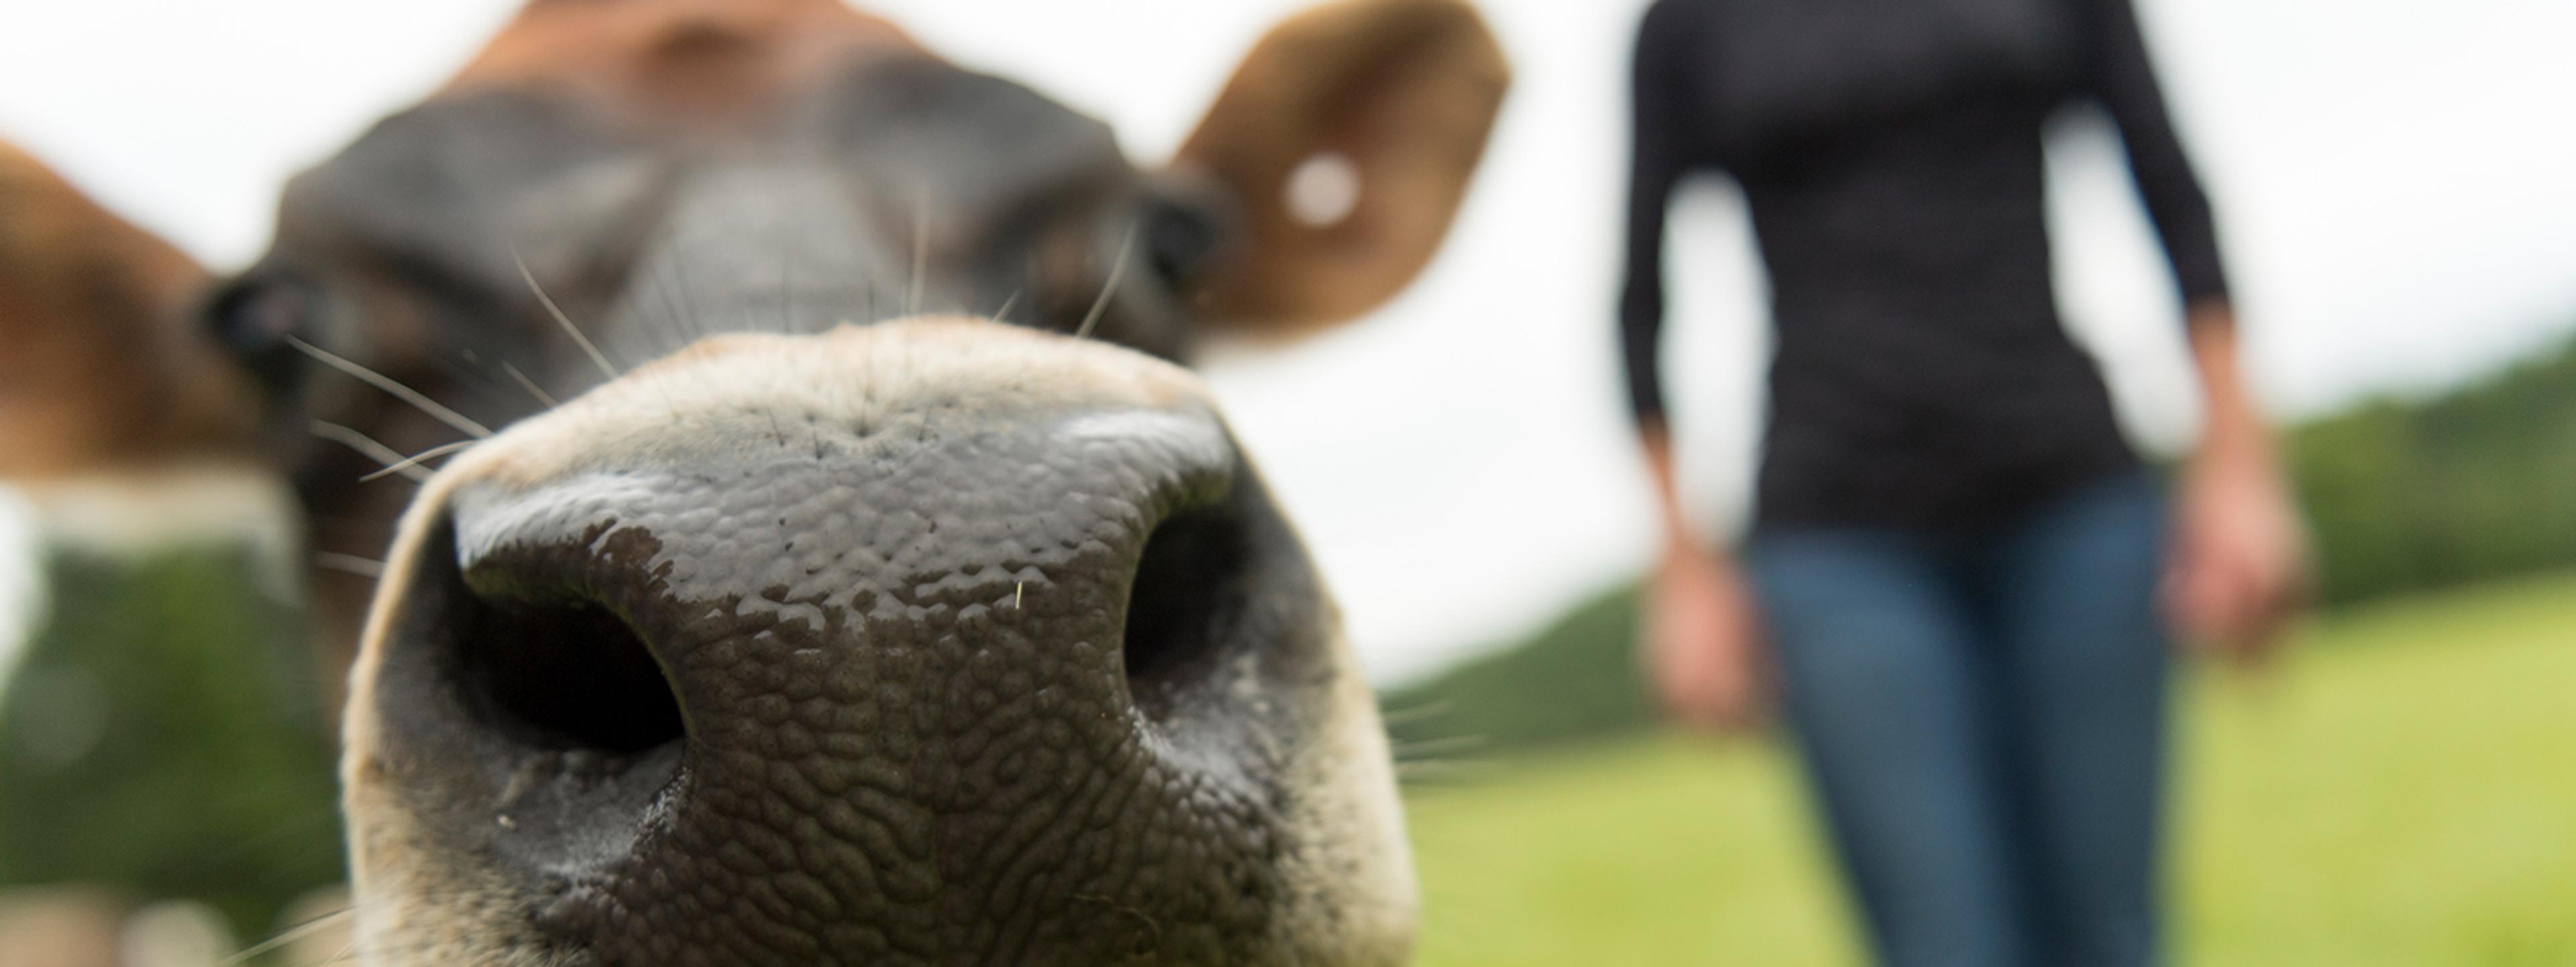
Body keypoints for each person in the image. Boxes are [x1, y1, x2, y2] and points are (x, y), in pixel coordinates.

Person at [1619, 0, 2310, 964]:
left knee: (2112, 936)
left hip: (2075, 508)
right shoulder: (1690, 25)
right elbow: (1639, 301)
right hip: (1838, 544)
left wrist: (2240, 473)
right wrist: (1687, 574)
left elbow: (2175, 196)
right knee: (1945, 944)